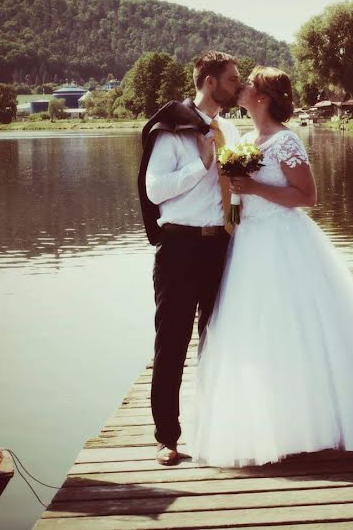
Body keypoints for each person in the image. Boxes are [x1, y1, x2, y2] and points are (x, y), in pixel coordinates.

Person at [192, 66, 353, 467]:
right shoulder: (246, 139)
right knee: (259, 331)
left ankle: (325, 424)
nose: (243, 87)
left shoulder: (285, 141)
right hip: (250, 245)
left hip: (284, 242)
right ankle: (280, 426)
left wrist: (255, 188)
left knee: (301, 327)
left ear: (262, 98)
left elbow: (308, 196)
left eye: (249, 84)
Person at [140, 51, 242, 466]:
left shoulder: (231, 130)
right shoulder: (172, 131)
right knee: (173, 344)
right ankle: (167, 436)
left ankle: (216, 428)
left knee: (218, 340)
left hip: (222, 246)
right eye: (233, 79)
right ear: (210, 82)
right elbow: (154, 190)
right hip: (179, 249)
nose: (239, 85)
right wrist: (200, 165)